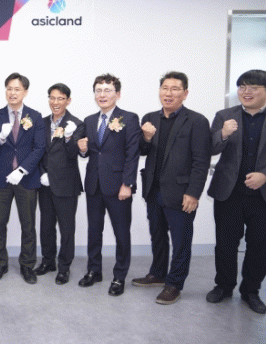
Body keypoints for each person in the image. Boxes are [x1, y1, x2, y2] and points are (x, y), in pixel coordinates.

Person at [131, 72, 210, 304]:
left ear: (185, 93)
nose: (169, 93)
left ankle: (174, 283)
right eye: (165, 88)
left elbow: (201, 161)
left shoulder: (197, 121)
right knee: (157, 235)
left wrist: (193, 193)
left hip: (181, 192)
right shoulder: (149, 118)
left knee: (181, 240)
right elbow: (141, 151)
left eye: (175, 89)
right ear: (159, 91)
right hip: (153, 189)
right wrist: (146, 137)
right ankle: (157, 273)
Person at [205, 69, 266, 314]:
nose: (246, 92)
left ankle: (251, 291)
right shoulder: (225, 115)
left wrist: (265, 175)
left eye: (253, 87)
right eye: (242, 87)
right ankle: (224, 286)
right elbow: (209, 148)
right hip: (229, 193)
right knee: (226, 244)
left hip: (262, 196)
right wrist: (222, 133)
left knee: (260, 246)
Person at [77, 74, 140, 296]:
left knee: (121, 233)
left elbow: (132, 154)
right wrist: (82, 150)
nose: (102, 95)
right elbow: (87, 152)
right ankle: (94, 270)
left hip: (118, 186)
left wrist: (128, 184)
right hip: (94, 185)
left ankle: (119, 276)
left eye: (107, 90)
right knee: (94, 231)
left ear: (117, 94)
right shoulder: (89, 121)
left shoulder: (129, 118)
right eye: (98, 90)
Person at [0, 73, 46, 284]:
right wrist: (2, 137)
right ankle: (0, 264)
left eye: (17, 89)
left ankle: (27, 265)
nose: (12, 93)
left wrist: (22, 170)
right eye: (9, 88)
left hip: (26, 180)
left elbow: (39, 148)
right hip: (0, 179)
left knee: (28, 225)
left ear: (25, 92)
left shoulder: (35, 116)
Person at [36, 83, 84, 285]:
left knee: (66, 229)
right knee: (46, 226)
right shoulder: (41, 122)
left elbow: (75, 153)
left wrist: (69, 137)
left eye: (60, 98)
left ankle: (64, 267)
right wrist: (42, 173)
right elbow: (38, 151)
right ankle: (48, 261)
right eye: (52, 98)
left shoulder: (77, 124)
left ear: (68, 100)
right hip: (45, 183)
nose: (55, 102)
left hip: (66, 184)